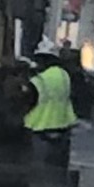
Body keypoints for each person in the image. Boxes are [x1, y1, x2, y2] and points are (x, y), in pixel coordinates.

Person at [24, 45, 78, 176]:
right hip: (63, 126)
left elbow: (27, 100)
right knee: (58, 169)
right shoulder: (64, 75)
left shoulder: (39, 80)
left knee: (37, 170)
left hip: (39, 128)